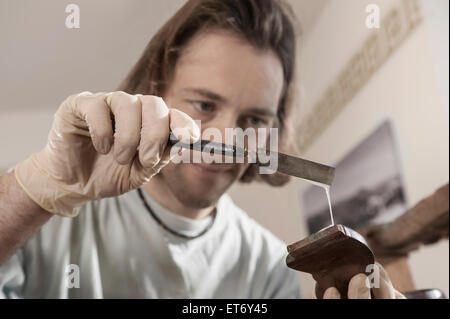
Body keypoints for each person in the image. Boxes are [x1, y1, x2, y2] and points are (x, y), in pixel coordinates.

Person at [0, 0, 403, 299]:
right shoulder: (46, 217)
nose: (227, 141)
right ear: (157, 90)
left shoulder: (267, 265)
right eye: (205, 105)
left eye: (254, 120)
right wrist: (36, 189)